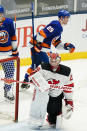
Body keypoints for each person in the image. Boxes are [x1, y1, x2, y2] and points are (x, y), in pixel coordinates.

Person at [21, 9, 75, 89]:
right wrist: (38, 44)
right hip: (40, 47)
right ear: (61, 18)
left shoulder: (60, 28)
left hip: (40, 47)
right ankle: (44, 85)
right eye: (66, 17)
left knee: (35, 66)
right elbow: (42, 33)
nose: (68, 19)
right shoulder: (56, 24)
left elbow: (56, 44)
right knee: (49, 66)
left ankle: (25, 81)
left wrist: (67, 46)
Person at [30, 53, 74, 129]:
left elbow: (68, 86)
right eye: (51, 60)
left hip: (55, 94)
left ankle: (53, 115)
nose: (53, 62)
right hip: (42, 93)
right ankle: (36, 119)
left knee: (53, 120)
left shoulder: (66, 72)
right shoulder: (42, 67)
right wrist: (41, 84)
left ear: (59, 60)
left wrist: (69, 100)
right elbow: (32, 75)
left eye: (55, 61)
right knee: (38, 106)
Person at [0, 5, 19, 101]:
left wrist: (15, 50)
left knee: (10, 72)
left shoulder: (9, 22)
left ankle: (7, 91)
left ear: (2, 14)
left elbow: (13, 36)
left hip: (7, 53)